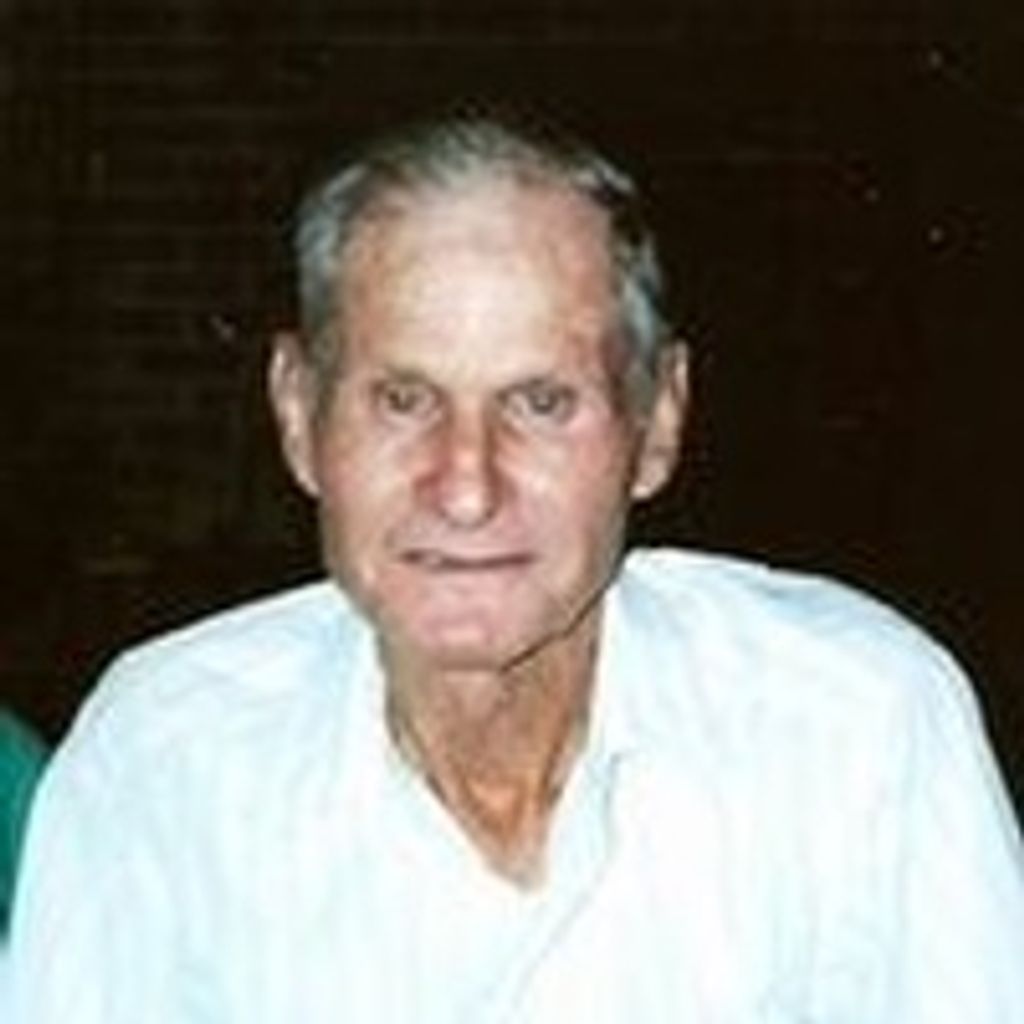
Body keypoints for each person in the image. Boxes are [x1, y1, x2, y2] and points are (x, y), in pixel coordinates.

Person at [10, 110, 1024, 1023]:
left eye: (541, 402)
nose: (465, 486)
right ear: (297, 414)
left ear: (656, 422)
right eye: (402, 399)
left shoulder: (861, 728)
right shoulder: (159, 762)